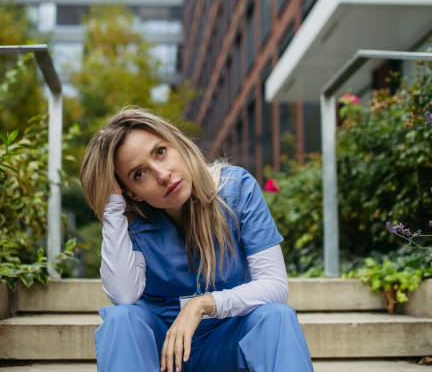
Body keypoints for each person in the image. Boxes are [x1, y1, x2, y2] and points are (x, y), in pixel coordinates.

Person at [80, 108, 313, 372]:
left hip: (227, 346)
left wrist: (202, 304)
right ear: (133, 194)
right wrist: (112, 207)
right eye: (139, 174)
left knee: (276, 316)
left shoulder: (237, 190)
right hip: (160, 354)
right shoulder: (131, 223)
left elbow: (274, 285)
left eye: (160, 152)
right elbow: (123, 296)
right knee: (122, 319)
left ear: (176, 144)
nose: (163, 174)